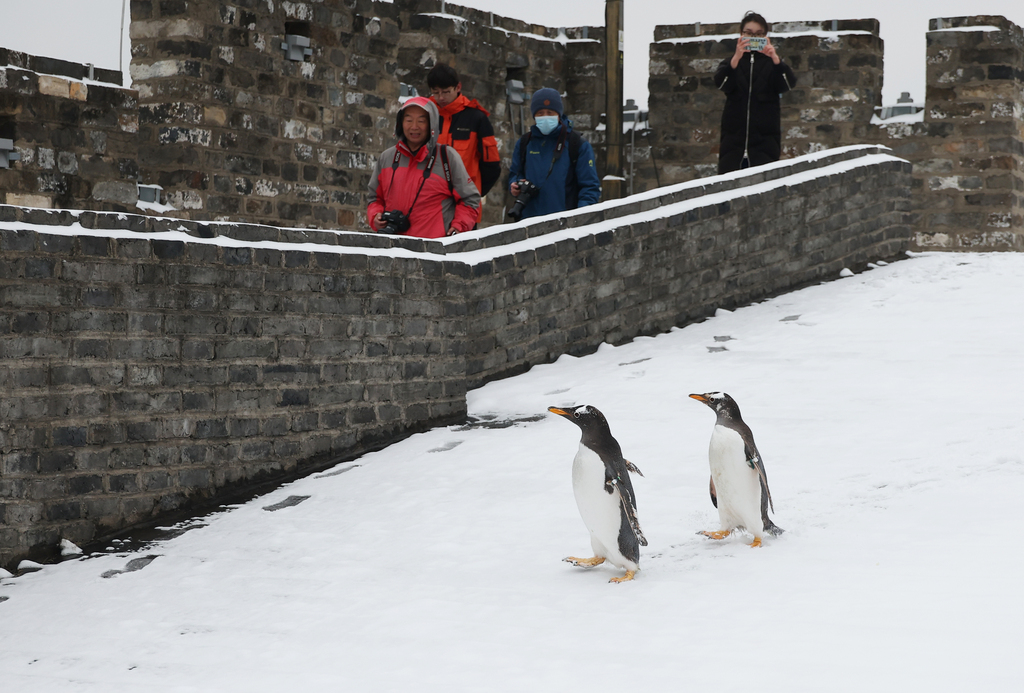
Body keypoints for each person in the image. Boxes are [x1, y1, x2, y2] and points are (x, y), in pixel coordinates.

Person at [367, 96, 480, 238]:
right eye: (408, 120)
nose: (414, 126)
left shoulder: (447, 157)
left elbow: (470, 199)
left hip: (433, 251)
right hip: (392, 249)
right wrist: (375, 216)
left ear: (432, 124)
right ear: (400, 123)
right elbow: (374, 198)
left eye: (421, 121)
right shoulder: (387, 158)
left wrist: (459, 227)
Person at [714, 11, 797, 174]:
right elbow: (721, 83)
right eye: (749, 34)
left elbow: (788, 83)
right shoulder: (731, 62)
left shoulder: (773, 64)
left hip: (765, 143)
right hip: (733, 143)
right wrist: (736, 59)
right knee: (729, 190)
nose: (753, 38)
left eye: (758, 34)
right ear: (741, 35)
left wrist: (775, 59)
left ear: (765, 37)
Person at [507, 87, 601, 221]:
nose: (545, 117)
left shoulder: (576, 144)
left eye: (550, 112)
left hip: (564, 226)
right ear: (534, 116)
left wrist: (580, 219)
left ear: (559, 114)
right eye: (540, 113)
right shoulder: (524, 143)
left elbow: (589, 187)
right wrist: (515, 185)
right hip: (528, 222)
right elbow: (514, 174)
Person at [427, 63, 501, 199]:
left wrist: (474, 193)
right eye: (436, 92)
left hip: (464, 200)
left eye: (446, 92)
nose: (441, 97)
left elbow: (491, 164)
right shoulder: (425, 115)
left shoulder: (476, 118)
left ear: (458, 87)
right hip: (428, 198)